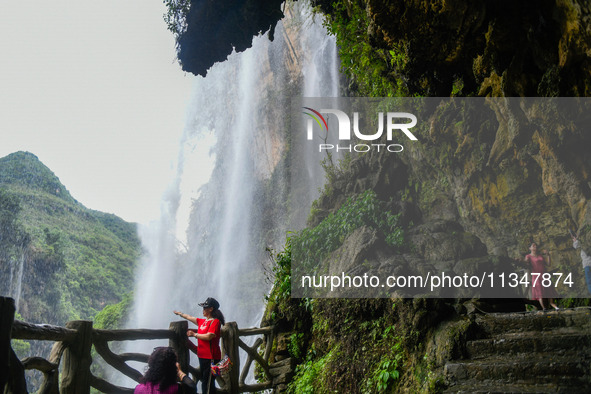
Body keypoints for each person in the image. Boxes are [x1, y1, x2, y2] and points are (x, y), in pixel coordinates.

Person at [174, 297, 225, 394]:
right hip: (202, 356)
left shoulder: (215, 322)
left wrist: (194, 335)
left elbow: (210, 336)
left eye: (205, 307)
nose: (203, 310)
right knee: (206, 381)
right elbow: (190, 317)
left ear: (211, 309)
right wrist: (180, 314)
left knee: (208, 383)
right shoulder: (203, 322)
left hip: (212, 357)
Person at [519, 242, 559, 311]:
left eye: (535, 245)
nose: (535, 246)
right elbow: (525, 263)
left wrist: (548, 255)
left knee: (549, 290)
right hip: (536, 276)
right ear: (530, 248)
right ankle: (544, 308)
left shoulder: (540, 256)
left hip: (544, 275)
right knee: (539, 292)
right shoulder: (528, 256)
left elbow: (548, 264)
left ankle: (554, 306)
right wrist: (521, 261)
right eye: (533, 245)